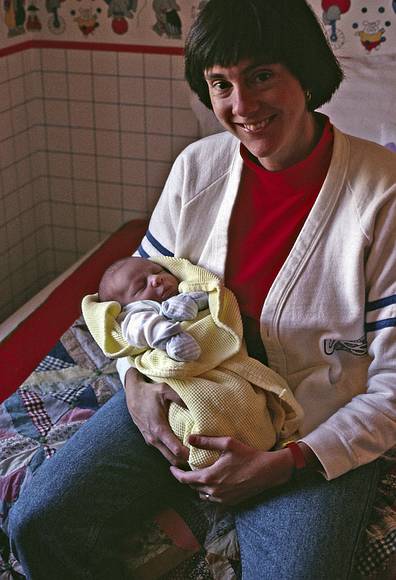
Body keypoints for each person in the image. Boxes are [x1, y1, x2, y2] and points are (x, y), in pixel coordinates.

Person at [6, 0, 396, 578]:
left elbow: (390, 381)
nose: (242, 106)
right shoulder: (196, 169)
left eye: (262, 75)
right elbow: (129, 308)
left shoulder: (382, 194)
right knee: (38, 524)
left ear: (305, 73)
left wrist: (286, 464)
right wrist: (137, 386)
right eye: (221, 84)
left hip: (310, 424)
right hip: (187, 392)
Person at [82, 254, 302, 469]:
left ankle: (259, 433)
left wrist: (202, 296)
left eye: (158, 271)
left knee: (242, 397)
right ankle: (209, 452)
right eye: (141, 287)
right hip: (179, 376)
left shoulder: (183, 291)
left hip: (225, 366)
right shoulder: (137, 314)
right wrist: (167, 336)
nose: (156, 279)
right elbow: (139, 330)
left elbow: (209, 297)